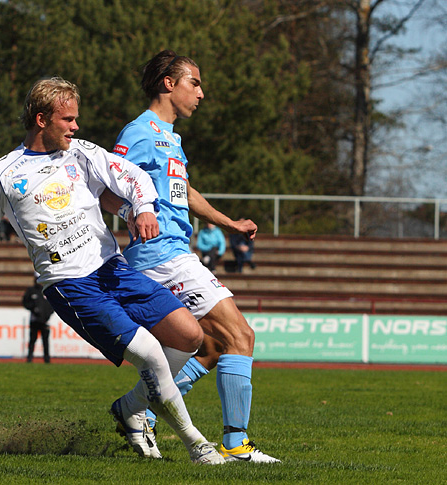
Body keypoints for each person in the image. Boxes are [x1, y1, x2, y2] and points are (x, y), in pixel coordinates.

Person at [0, 77, 224, 465]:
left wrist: (144, 207)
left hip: (112, 268)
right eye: (68, 119)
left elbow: (134, 177)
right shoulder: (1, 173)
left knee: (189, 336)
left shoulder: (81, 153)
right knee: (150, 355)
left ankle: (132, 408)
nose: (76, 127)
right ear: (41, 119)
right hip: (70, 283)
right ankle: (198, 446)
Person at [102, 50, 280, 463]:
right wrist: (135, 213)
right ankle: (235, 445)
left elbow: (183, 191)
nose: (201, 93)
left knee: (214, 346)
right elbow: (109, 190)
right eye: (194, 83)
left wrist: (228, 222)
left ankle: (134, 409)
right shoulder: (140, 132)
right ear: (169, 83)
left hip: (176, 252)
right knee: (241, 336)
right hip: (161, 256)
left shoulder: (171, 138)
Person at [22, 277, 54, 363]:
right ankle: (29, 358)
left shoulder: (48, 290)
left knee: (45, 341)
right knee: (32, 340)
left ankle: (47, 359)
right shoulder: (31, 290)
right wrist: (33, 309)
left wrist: (47, 315)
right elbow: (25, 302)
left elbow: (53, 305)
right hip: (34, 320)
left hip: (45, 320)